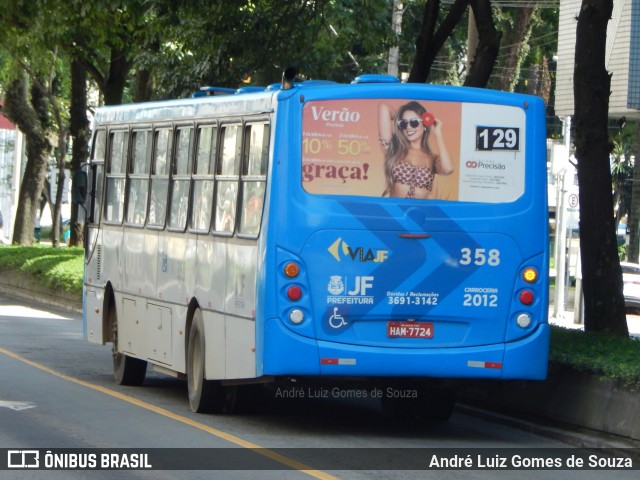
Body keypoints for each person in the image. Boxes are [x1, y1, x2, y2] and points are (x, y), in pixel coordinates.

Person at [378, 101, 454, 199]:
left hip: (419, 211)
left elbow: (448, 169)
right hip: (394, 210)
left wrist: (438, 134)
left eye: (414, 122)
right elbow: (384, 107)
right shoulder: (395, 149)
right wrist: (401, 117)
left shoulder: (432, 158)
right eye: (404, 124)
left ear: (425, 125)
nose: (408, 127)